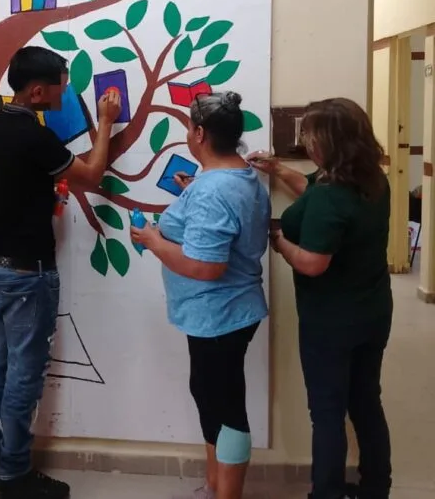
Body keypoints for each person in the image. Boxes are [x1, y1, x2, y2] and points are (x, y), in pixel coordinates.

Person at [0, 46, 122, 499]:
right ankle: (14, 477)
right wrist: (107, 121)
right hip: (28, 273)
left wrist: (23, 191)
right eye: (61, 83)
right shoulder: (35, 138)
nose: (65, 90)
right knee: (22, 376)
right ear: (38, 91)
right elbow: (91, 175)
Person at [249, 98, 392, 499]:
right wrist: (277, 169)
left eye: (310, 133)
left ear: (329, 140)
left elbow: (312, 263)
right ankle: (376, 488)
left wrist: (279, 241)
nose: (305, 140)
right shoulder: (369, 180)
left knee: (327, 412)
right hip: (373, 312)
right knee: (365, 401)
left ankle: (325, 493)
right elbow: (311, 188)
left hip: (332, 322)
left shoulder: (333, 196)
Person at [131, 92, 270, 499]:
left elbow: (206, 266)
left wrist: (153, 240)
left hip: (219, 314)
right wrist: (195, 190)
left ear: (200, 133)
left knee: (225, 407)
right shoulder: (240, 176)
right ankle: (215, 487)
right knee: (212, 399)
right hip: (225, 314)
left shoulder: (213, 190)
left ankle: (226, 494)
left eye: (190, 127)